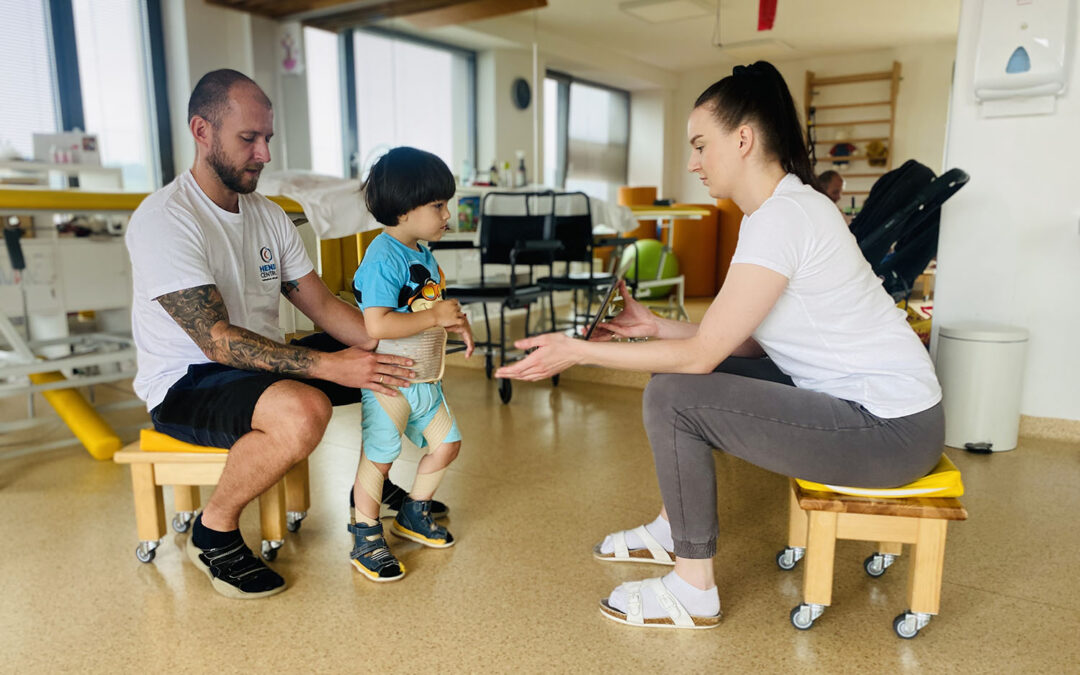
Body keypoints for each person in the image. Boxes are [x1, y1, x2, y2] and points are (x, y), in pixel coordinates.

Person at [496, 61, 943, 630]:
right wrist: (657, 326)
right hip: (889, 413)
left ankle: (692, 589)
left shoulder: (783, 218)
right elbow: (752, 344)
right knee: (677, 384)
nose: (693, 162)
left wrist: (577, 350)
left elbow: (704, 354)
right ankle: (671, 530)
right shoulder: (784, 210)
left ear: (744, 139)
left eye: (701, 145)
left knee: (673, 397)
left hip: (889, 430)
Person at [126, 69, 422, 599]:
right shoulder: (166, 219)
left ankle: (370, 488)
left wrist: (401, 332)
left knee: (393, 353)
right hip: (187, 381)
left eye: (268, 139)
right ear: (202, 130)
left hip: (255, 365)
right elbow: (216, 340)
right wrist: (333, 366)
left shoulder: (267, 215)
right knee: (305, 408)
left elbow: (322, 304)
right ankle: (213, 532)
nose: (263, 154)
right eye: (248, 139)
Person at [346, 147, 474, 582]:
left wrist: (454, 323)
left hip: (424, 381)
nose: (447, 215)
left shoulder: (421, 253)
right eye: (438, 205)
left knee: (447, 445)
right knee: (379, 460)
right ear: (403, 209)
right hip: (389, 382)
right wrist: (435, 316)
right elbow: (377, 321)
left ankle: (413, 514)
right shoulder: (384, 256)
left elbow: (429, 307)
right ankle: (365, 534)